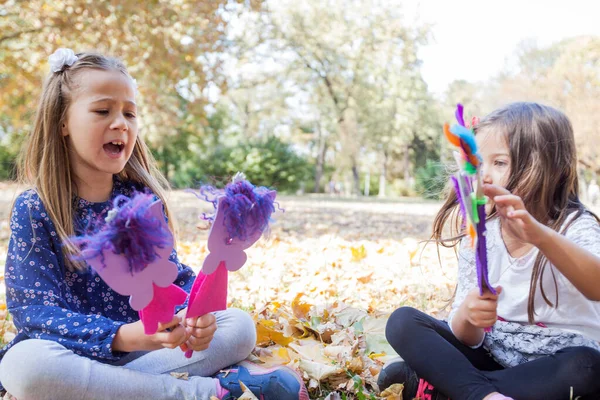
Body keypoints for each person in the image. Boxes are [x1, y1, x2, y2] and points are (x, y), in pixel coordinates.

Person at [0, 48, 308, 400]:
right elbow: (34, 312)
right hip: (73, 353)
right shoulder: (37, 208)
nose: (121, 123)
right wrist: (126, 335)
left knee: (238, 326)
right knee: (23, 366)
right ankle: (208, 391)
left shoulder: (141, 201)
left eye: (130, 114)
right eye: (103, 110)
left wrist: (195, 316)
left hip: (148, 353)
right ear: (63, 123)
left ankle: (118, 391)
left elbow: (171, 277)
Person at [378, 103, 600, 400]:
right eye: (480, 163)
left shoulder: (573, 226)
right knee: (403, 321)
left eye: (500, 163)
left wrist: (540, 236)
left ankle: (450, 389)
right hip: (494, 353)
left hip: (557, 361)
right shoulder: (483, 232)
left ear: (552, 167)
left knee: (585, 368)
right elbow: (467, 337)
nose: (485, 175)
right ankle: (483, 395)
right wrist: (469, 317)